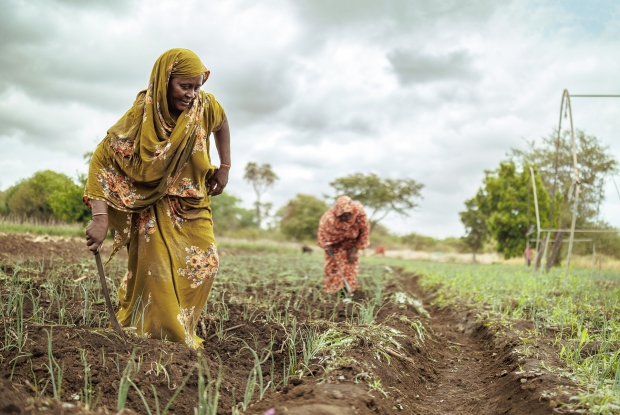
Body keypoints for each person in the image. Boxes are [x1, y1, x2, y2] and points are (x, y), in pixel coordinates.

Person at [83, 48, 230, 348]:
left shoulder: (205, 106)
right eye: (184, 86)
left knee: (206, 264)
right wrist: (100, 219)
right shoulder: (142, 115)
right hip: (154, 206)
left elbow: (222, 123)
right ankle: (166, 341)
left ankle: (177, 329)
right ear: (165, 81)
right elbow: (103, 160)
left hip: (194, 202)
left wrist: (225, 167)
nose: (191, 94)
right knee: (159, 274)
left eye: (196, 86)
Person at [317, 196, 370, 294]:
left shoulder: (360, 215)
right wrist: (326, 245)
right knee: (331, 268)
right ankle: (332, 292)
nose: (344, 218)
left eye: (347, 215)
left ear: (352, 211)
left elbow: (364, 232)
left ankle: (347, 291)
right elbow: (322, 232)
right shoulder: (328, 218)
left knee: (350, 267)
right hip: (335, 246)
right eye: (341, 216)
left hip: (351, 245)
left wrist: (355, 251)